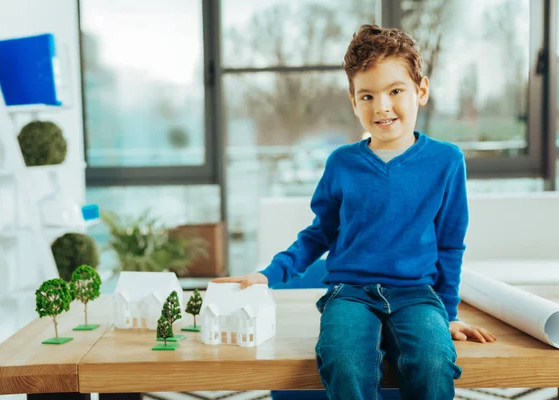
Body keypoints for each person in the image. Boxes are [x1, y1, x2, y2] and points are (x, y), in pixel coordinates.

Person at [213, 24, 496, 400]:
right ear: (353, 102)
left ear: (421, 91)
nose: (381, 106)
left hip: (417, 294)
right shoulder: (341, 163)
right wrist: (270, 274)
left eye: (395, 91)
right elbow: (319, 233)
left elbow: (449, 244)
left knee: (433, 362)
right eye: (367, 95)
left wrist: (448, 313)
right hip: (349, 293)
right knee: (343, 360)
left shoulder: (447, 161)